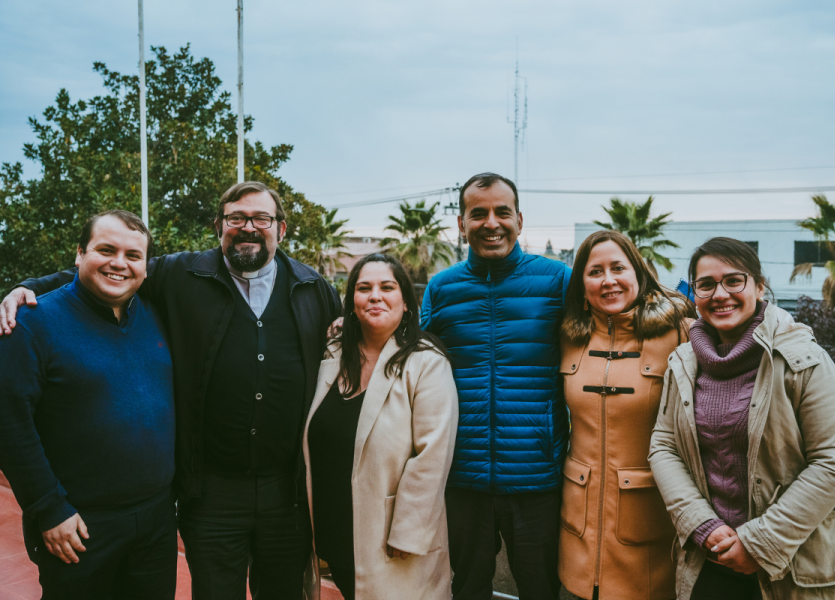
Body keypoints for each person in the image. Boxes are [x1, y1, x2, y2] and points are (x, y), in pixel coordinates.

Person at [0, 182, 342, 600]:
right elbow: (110, 270)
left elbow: (350, 348)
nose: (248, 227)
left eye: (261, 218)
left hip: (278, 496)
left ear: (282, 229)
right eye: (236, 217)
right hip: (202, 497)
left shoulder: (314, 289)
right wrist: (28, 287)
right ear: (219, 226)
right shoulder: (180, 275)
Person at [648, 237, 835, 600]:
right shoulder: (683, 363)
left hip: (797, 565)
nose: (720, 294)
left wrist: (758, 543)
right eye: (706, 284)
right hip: (711, 559)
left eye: (734, 280)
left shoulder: (804, 357)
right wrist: (702, 524)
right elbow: (663, 445)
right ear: (694, 295)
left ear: (759, 286)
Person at [0, 210, 176, 599]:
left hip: (157, 521)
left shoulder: (156, 312)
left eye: (133, 255)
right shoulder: (30, 323)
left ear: (145, 266)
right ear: (79, 253)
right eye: (106, 249)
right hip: (78, 526)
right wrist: (48, 510)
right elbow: (9, 424)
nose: (119, 263)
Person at [420, 172, 570, 600]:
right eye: (478, 213)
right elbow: (414, 362)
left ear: (519, 221)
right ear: (461, 225)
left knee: (540, 589)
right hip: (461, 478)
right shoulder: (442, 289)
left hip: (537, 478)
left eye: (502, 212)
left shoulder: (557, 281)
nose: (491, 223)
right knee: (466, 589)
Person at [304, 253, 458, 599]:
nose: (375, 295)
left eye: (387, 287)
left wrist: (408, 531)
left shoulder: (427, 362)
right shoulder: (331, 356)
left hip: (391, 536)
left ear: (406, 303)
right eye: (364, 288)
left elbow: (433, 454)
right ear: (352, 304)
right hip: (337, 527)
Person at [558, 230, 694, 600]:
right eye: (595, 271)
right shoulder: (568, 335)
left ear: (638, 272)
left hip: (649, 528)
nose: (608, 280)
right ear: (581, 283)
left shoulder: (681, 331)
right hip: (577, 528)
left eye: (618, 267)